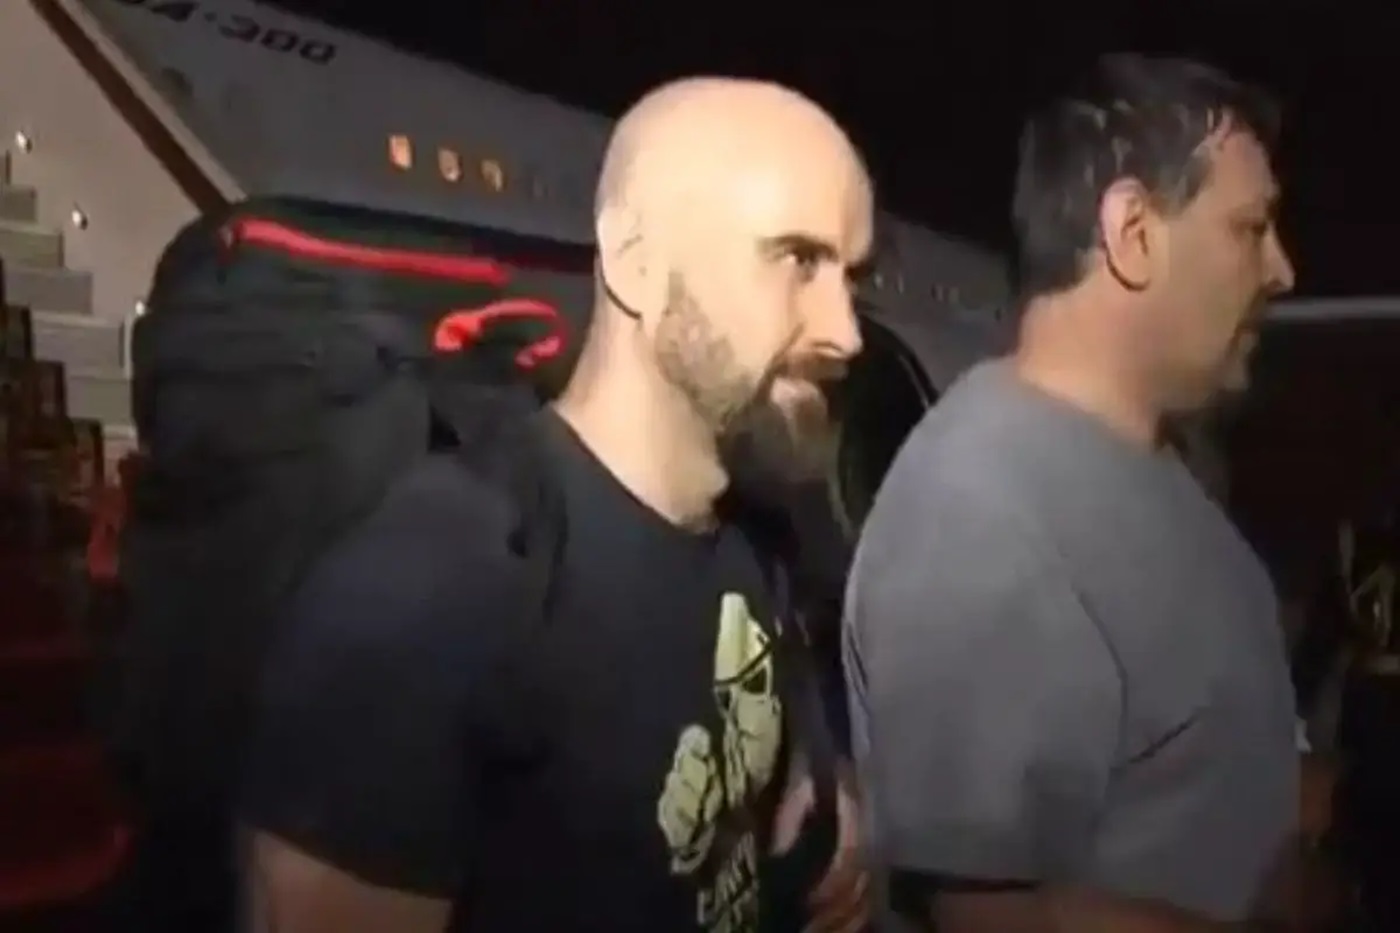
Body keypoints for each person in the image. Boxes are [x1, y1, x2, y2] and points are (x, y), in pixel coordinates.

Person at [239, 77, 872, 933]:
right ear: (637, 262)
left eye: (850, 276)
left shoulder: (756, 536)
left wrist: (824, 805)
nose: (846, 331)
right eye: (796, 260)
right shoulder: (432, 588)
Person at [844, 54, 1299, 931]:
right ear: (1133, 232)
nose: (1281, 269)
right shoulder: (981, 515)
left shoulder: (1152, 458)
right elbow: (991, 917)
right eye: (1251, 228)